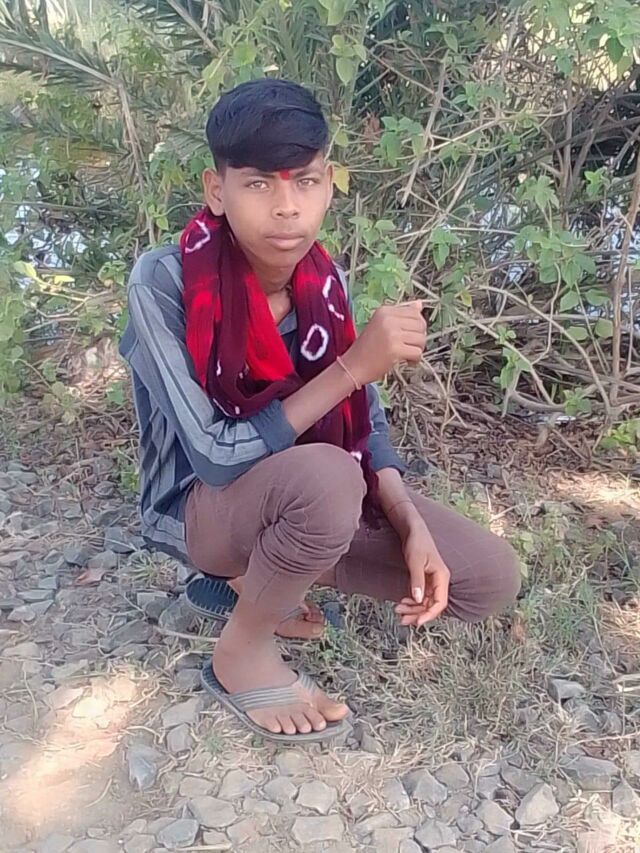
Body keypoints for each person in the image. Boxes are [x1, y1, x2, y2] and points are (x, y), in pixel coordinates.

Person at [119, 78, 521, 743]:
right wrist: (353, 366)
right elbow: (215, 455)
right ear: (216, 190)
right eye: (258, 184)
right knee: (328, 476)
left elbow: (367, 426)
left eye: (305, 181)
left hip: (304, 497)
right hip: (197, 509)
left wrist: (409, 521)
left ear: (329, 184)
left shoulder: (323, 282)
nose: (287, 208)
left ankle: (253, 581)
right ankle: (242, 651)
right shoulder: (165, 280)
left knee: (486, 577)